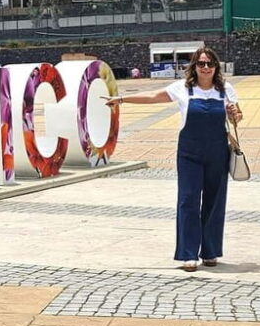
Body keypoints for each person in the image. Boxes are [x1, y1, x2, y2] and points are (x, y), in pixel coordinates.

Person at [102, 47, 243, 272]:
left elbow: (237, 116)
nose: (206, 67)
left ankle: (210, 251)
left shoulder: (225, 89)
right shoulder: (182, 89)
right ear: (194, 67)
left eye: (210, 64)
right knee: (188, 200)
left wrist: (236, 114)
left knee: (215, 202)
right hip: (189, 154)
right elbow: (153, 97)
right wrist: (121, 98)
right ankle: (188, 253)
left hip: (217, 152)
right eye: (201, 63)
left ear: (216, 66)